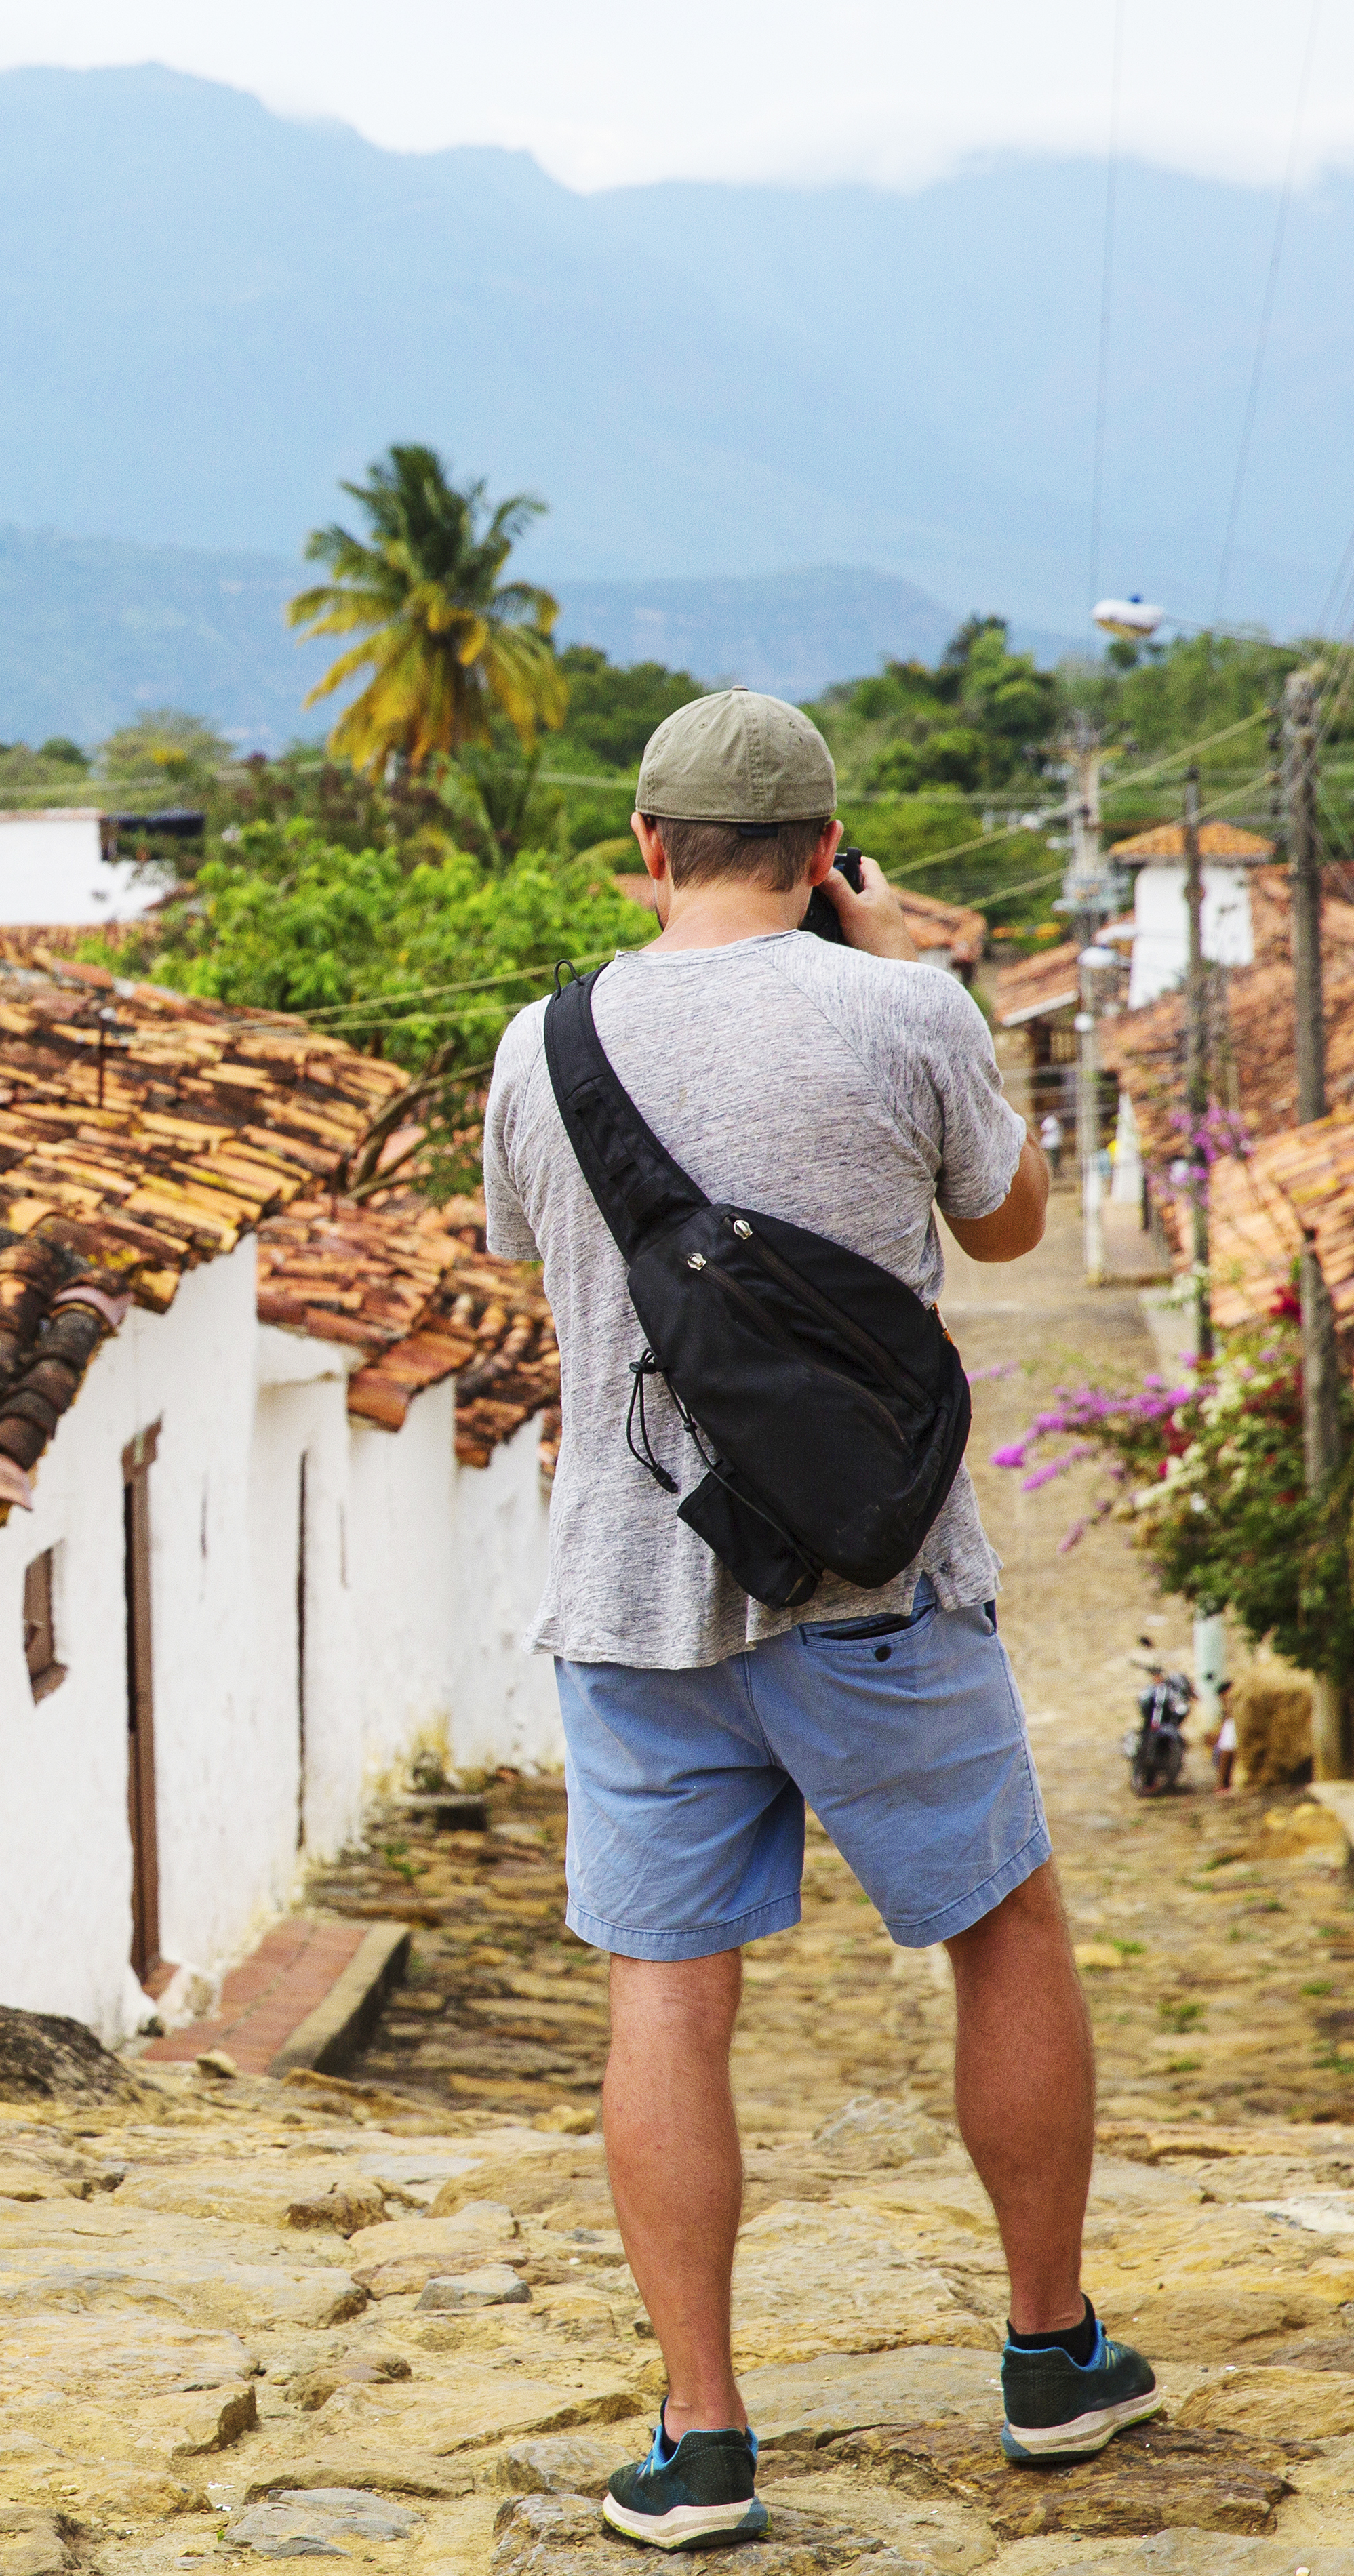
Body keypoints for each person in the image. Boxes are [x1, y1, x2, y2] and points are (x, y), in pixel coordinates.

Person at [481, 690, 1153, 2551]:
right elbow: (1010, 1229)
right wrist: (885, 980)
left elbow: (528, 1259)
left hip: (629, 1598)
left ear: (648, 847)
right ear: (824, 853)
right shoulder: (905, 1007)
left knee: (667, 2001)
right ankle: (1048, 2357)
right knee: (1002, 1934)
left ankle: (700, 2440)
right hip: (879, 1585)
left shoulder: (540, 1051)